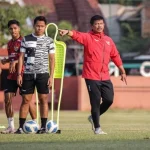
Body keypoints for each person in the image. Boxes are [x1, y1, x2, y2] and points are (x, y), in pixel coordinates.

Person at [59, 15, 127, 134]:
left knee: (109, 100)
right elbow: (77, 35)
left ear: (103, 25)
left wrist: (122, 70)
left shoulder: (108, 40)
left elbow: (115, 55)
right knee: (95, 101)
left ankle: (93, 117)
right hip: (91, 76)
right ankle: (97, 128)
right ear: (92, 26)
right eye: (96, 24)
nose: (99, 25)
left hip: (105, 76)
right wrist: (67, 32)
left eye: (101, 23)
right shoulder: (88, 37)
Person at [15, 16, 55, 134]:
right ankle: (21, 127)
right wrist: (19, 74)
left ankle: (43, 127)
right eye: (38, 26)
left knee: (43, 99)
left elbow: (52, 60)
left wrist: (51, 76)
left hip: (43, 74)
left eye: (42, 26)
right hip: (28, 74)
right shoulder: (26, 39)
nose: (39, 28)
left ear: (45, 27)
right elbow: (21, 57)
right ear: (34, 25)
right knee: (26, 100)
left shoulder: (49, 40)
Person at [1, 20, 36, 134]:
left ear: (19, 29)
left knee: (28, 100)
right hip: (11, 75)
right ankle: (11, 127)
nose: (13, 30)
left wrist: (15, 62)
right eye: (11, 28)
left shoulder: (24, 41)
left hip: (23, 74)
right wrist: (7, 60)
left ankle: (36, 124)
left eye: (15, 28)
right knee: (7, 99)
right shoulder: (10, 43)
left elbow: (27, 57)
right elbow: (13, 57)